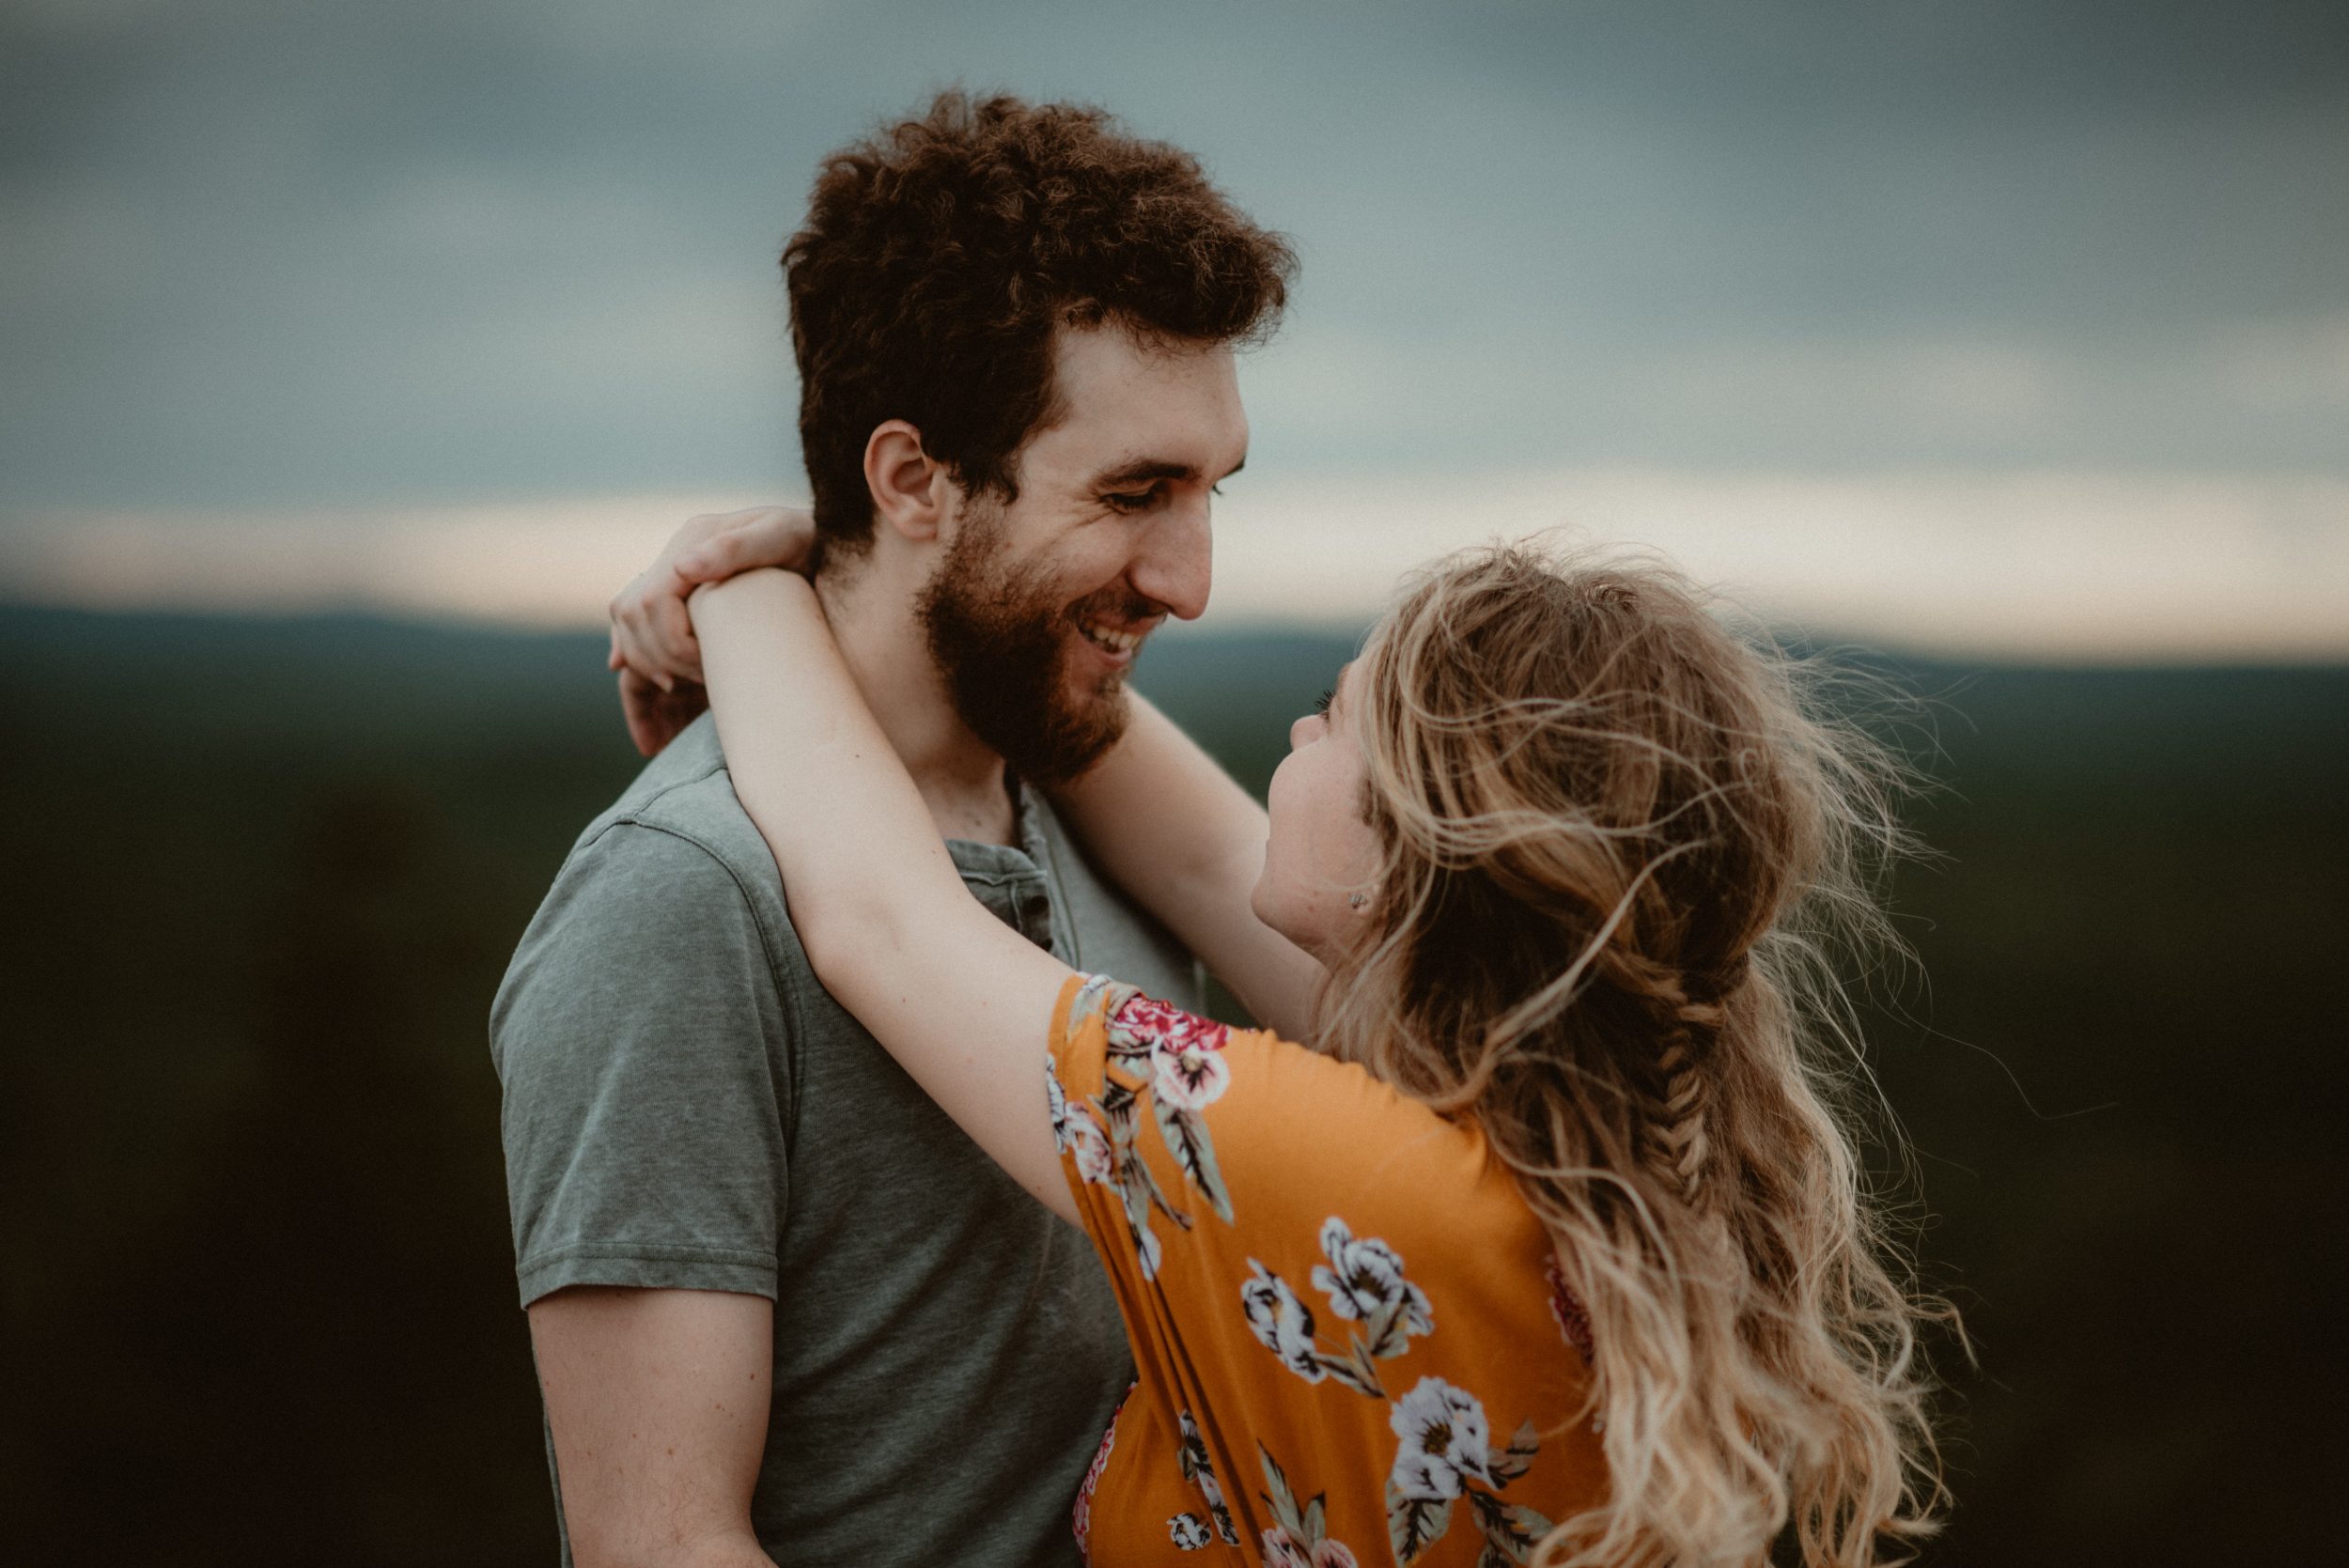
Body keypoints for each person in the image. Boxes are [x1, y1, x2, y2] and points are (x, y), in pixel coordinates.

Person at [617, 518, 1951, 1566]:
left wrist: (740, 589)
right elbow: (1201, 853)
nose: (1299, 734)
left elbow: (883, 920)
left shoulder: (1344, 1170)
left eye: (1339, 715)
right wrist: (908, 572)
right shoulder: (1583, 1127)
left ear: (1421, 844)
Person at [490, 91, 1295, 1568]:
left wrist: (763, 577)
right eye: (1135, 493)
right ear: (913, 479)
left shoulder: (1092, 794)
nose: (1190, 580)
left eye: (1208, 490)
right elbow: (659, 1544)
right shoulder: (680, 905)